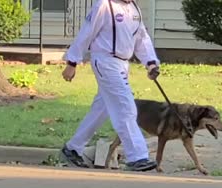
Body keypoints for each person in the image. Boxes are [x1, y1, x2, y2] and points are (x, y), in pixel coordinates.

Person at [60, 0, 160, 172]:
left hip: (123, 63)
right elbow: (86, 33)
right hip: (105, 61)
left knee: (102, 108)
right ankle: (138, 156)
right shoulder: (104, 5)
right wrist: (72, 61)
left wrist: (150, 62)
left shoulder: (133, 7)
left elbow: (141, 37)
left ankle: (73, 148)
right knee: (125, 106)